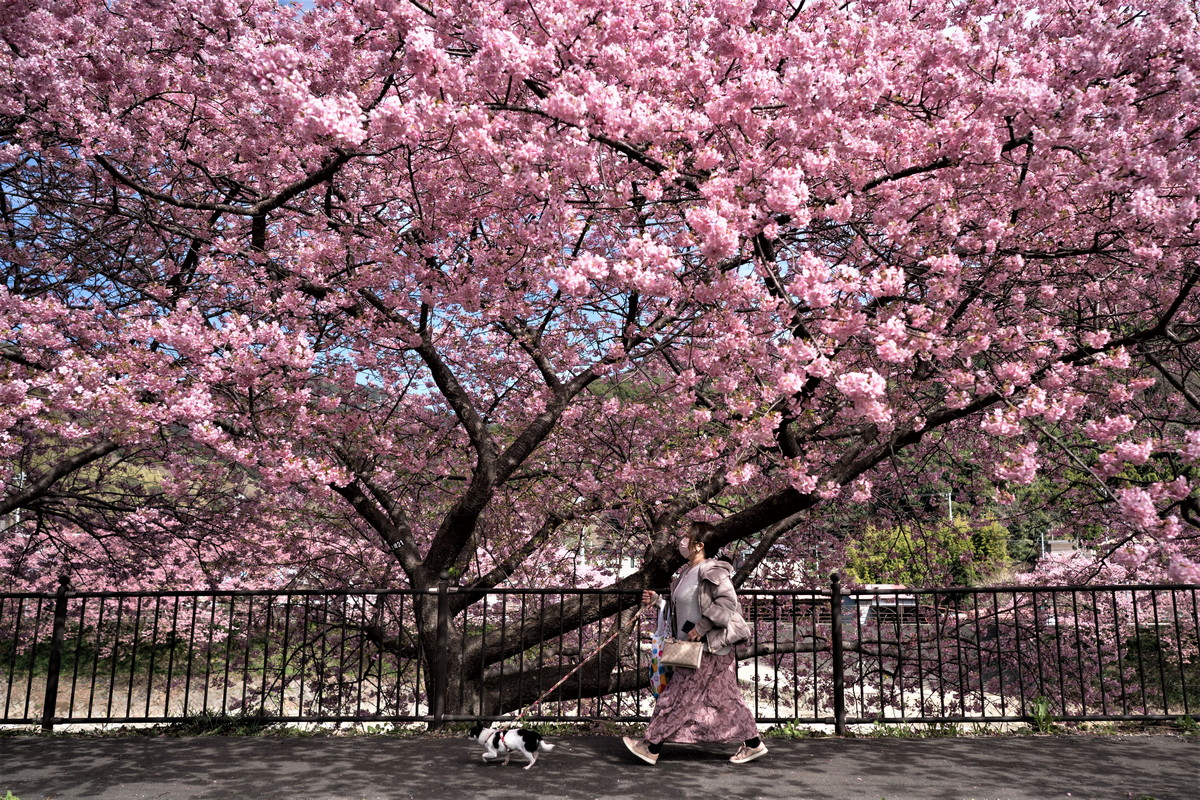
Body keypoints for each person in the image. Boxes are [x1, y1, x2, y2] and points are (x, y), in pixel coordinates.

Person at [623, 521, 767, 765]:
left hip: (708, 647)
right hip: (696, 648)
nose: (682, 541)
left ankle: (651, 746)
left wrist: (702, 628)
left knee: (677, 695)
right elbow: (684, 609)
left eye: (687, 537)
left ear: (699, 545)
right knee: (725, 698)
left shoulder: (712, 570)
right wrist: (659, 601)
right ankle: (754, 744)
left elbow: (727, 603)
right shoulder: (685, 574)